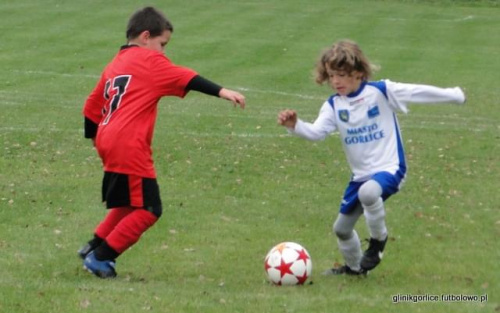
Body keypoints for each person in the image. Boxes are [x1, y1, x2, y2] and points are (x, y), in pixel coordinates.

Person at [78, 6, 245, 278]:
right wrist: (223, 91)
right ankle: (100, 257)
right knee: (150, 209)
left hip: (108, 138)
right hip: (129, 143)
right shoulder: (149, 61)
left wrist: (98, 142)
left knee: (131, 202)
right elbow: (186, 77)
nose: (164, 52)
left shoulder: (116, 63)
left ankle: (93, 246)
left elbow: (91, 107)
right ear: (146, 37)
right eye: (162, 44)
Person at [277, 39, 465, 275]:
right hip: (360, 177)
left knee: (369, 193)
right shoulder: (334, 105)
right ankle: (355, 269)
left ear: (357, 73)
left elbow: (417, 92)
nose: (335, 81)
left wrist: (453, 95)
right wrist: (295, 125)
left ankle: (378, 241)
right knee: (342, 229)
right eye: (331, 75)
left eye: (341, 75)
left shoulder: (381, 92)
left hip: (390, 168)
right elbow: (316, 133)